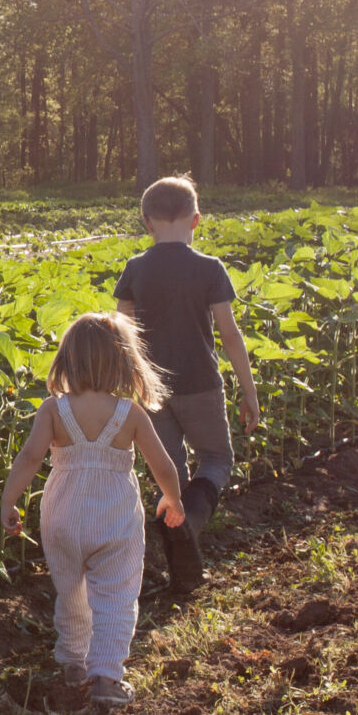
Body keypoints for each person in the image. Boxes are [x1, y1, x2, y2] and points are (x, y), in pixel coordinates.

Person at [0, 311, 189, 710]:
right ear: (123, 361)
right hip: (115, 518)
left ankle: (72, 664)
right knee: (117, 595)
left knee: (71, 592)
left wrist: (9, 500)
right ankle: (104, 675)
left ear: (67, 359)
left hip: (62, 517)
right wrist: (171, 498)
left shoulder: (54, 410)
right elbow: (163, 465)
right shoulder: (129, 414)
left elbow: (31, 456)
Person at [111, 174, 261, 598]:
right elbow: (230, 335)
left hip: (150, 390)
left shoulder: (136, 269)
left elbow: (123, 333)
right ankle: (188, 525)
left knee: (169, 475)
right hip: (201, 384)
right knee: (216, 458)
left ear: (147, 223)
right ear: (197, 220)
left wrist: (125, 387)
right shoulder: (209, 269)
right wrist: (248, 391)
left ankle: (180, 561)